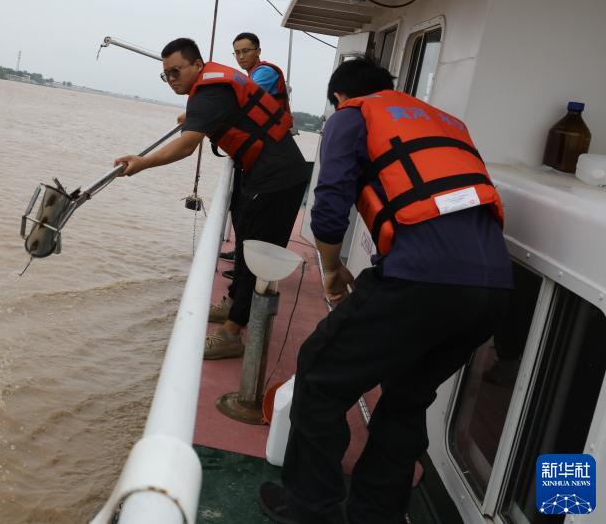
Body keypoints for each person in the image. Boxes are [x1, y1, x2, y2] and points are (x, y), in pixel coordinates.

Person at [258, 57, 513, 524]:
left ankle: (309, 510)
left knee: (319, 375)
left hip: (420, 280)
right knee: (407, 397)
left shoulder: (351, 115)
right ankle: (377, 515)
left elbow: (329, 205)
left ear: (341, 96)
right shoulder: (448, 124)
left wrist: (331, 269)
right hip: (493, 289)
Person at [114, 37, 311, 359]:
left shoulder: (209, 92)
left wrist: (142, 162)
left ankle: (232, 333)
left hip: (278, 179)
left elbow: (187, 144)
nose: (172, 80)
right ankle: (232, 302)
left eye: (177, 71)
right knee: (245, 239)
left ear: (197, 65)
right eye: (167, 75)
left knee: (253, 254)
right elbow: (212, 118)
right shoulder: (210, 91)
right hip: (262, 172)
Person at [212, 32, 294, 315]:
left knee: (252, 229)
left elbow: (240, 98)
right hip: (256, 160)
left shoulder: (265, 74)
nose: (241, 56)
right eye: (237, 52)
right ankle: (236, 291)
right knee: (242, 219)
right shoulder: (249, 75)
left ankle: (238, 309)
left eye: (246, 50)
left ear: (258, 51)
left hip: (271, 159)